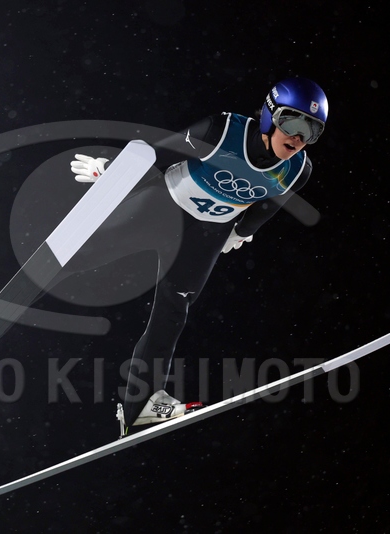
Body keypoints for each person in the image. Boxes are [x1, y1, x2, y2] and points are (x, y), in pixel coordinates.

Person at [61, 77, 330, 434]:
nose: (298, 138)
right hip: (163, 208)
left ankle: (139, 406)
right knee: (83, 254)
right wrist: (114, 174)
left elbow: (269, 203)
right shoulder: (222, 131)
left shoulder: (298, 169)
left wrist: (242, 231)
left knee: (173, 311)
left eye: (311, 131)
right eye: (292, 123)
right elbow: (158, 155)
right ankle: (14, 292)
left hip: (206, 236)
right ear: (269, 115)